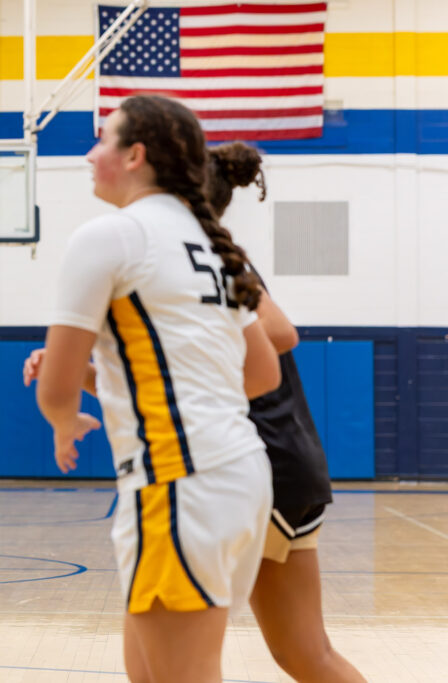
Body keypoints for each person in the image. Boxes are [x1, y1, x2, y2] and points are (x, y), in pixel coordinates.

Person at [31, 94, 281, 682]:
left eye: (103, 139)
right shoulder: (205, 241)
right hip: (237, 475)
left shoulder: (111, 236)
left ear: (135, 155)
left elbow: (55, 385)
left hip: (179, 482)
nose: (90, 154)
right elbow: (262, 373)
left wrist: (65, 420)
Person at [207, 142, 365, 683]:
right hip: (288, 460)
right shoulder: (217, 255)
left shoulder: (208, 257)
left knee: (179, 651)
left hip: (267, 462)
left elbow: (280, 333)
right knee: (306, 655)